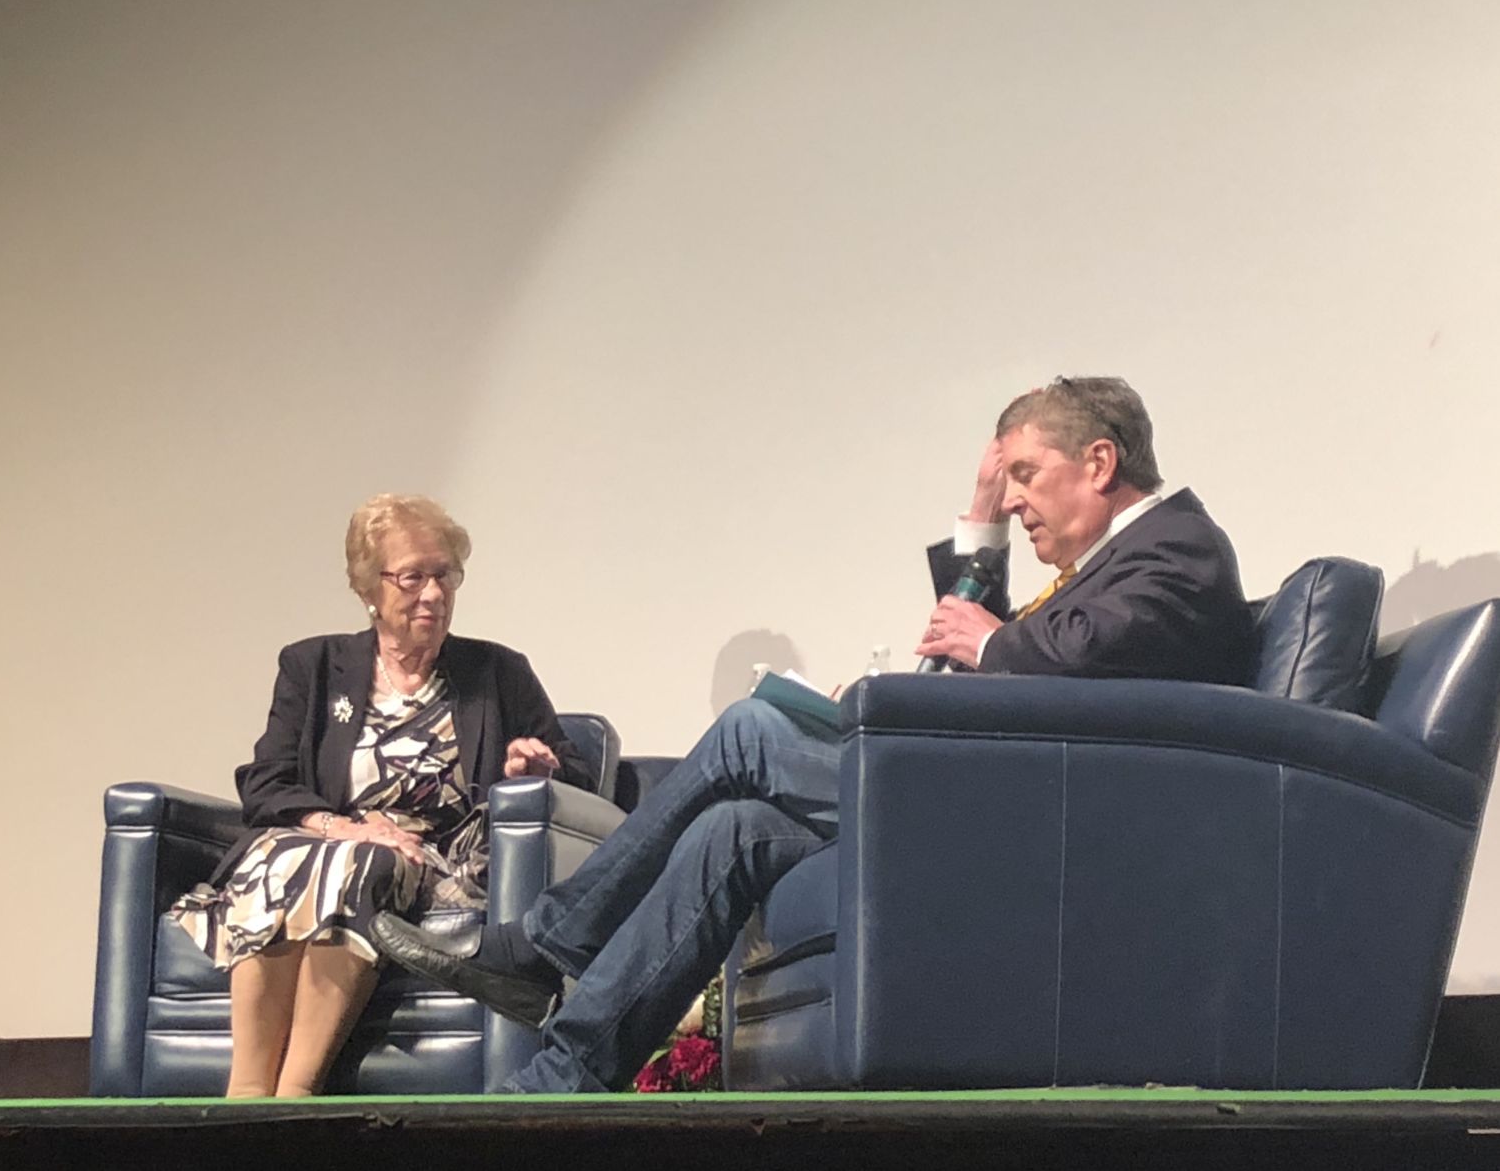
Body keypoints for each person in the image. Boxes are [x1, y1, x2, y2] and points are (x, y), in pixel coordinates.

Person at [371, 376, 1258, 1093]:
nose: (1018, 497)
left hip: (1048, 821)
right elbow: (1027, 670)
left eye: (1026, 473)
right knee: (732, 830)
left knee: (750, 730)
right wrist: (979, 519)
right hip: (1005, 794)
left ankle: (542, 943)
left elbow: (1053, 660)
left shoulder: (1176, 548)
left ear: (1098, 461)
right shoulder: (1114, 563)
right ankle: (566, 1071)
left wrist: (987, 641)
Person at [171, 493, 592, 1098]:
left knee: (363, 863)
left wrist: (535, 767)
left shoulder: (497, 672)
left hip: (430, 859)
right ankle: (247, 1094)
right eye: (413, 577)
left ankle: (295, 1095)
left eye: (444, 575)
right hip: (324, 840)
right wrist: (344, 827)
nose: (433, 594)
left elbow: (577, 777)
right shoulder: (314, 666)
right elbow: (265, 783)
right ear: (370, 588)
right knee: (289, 857)